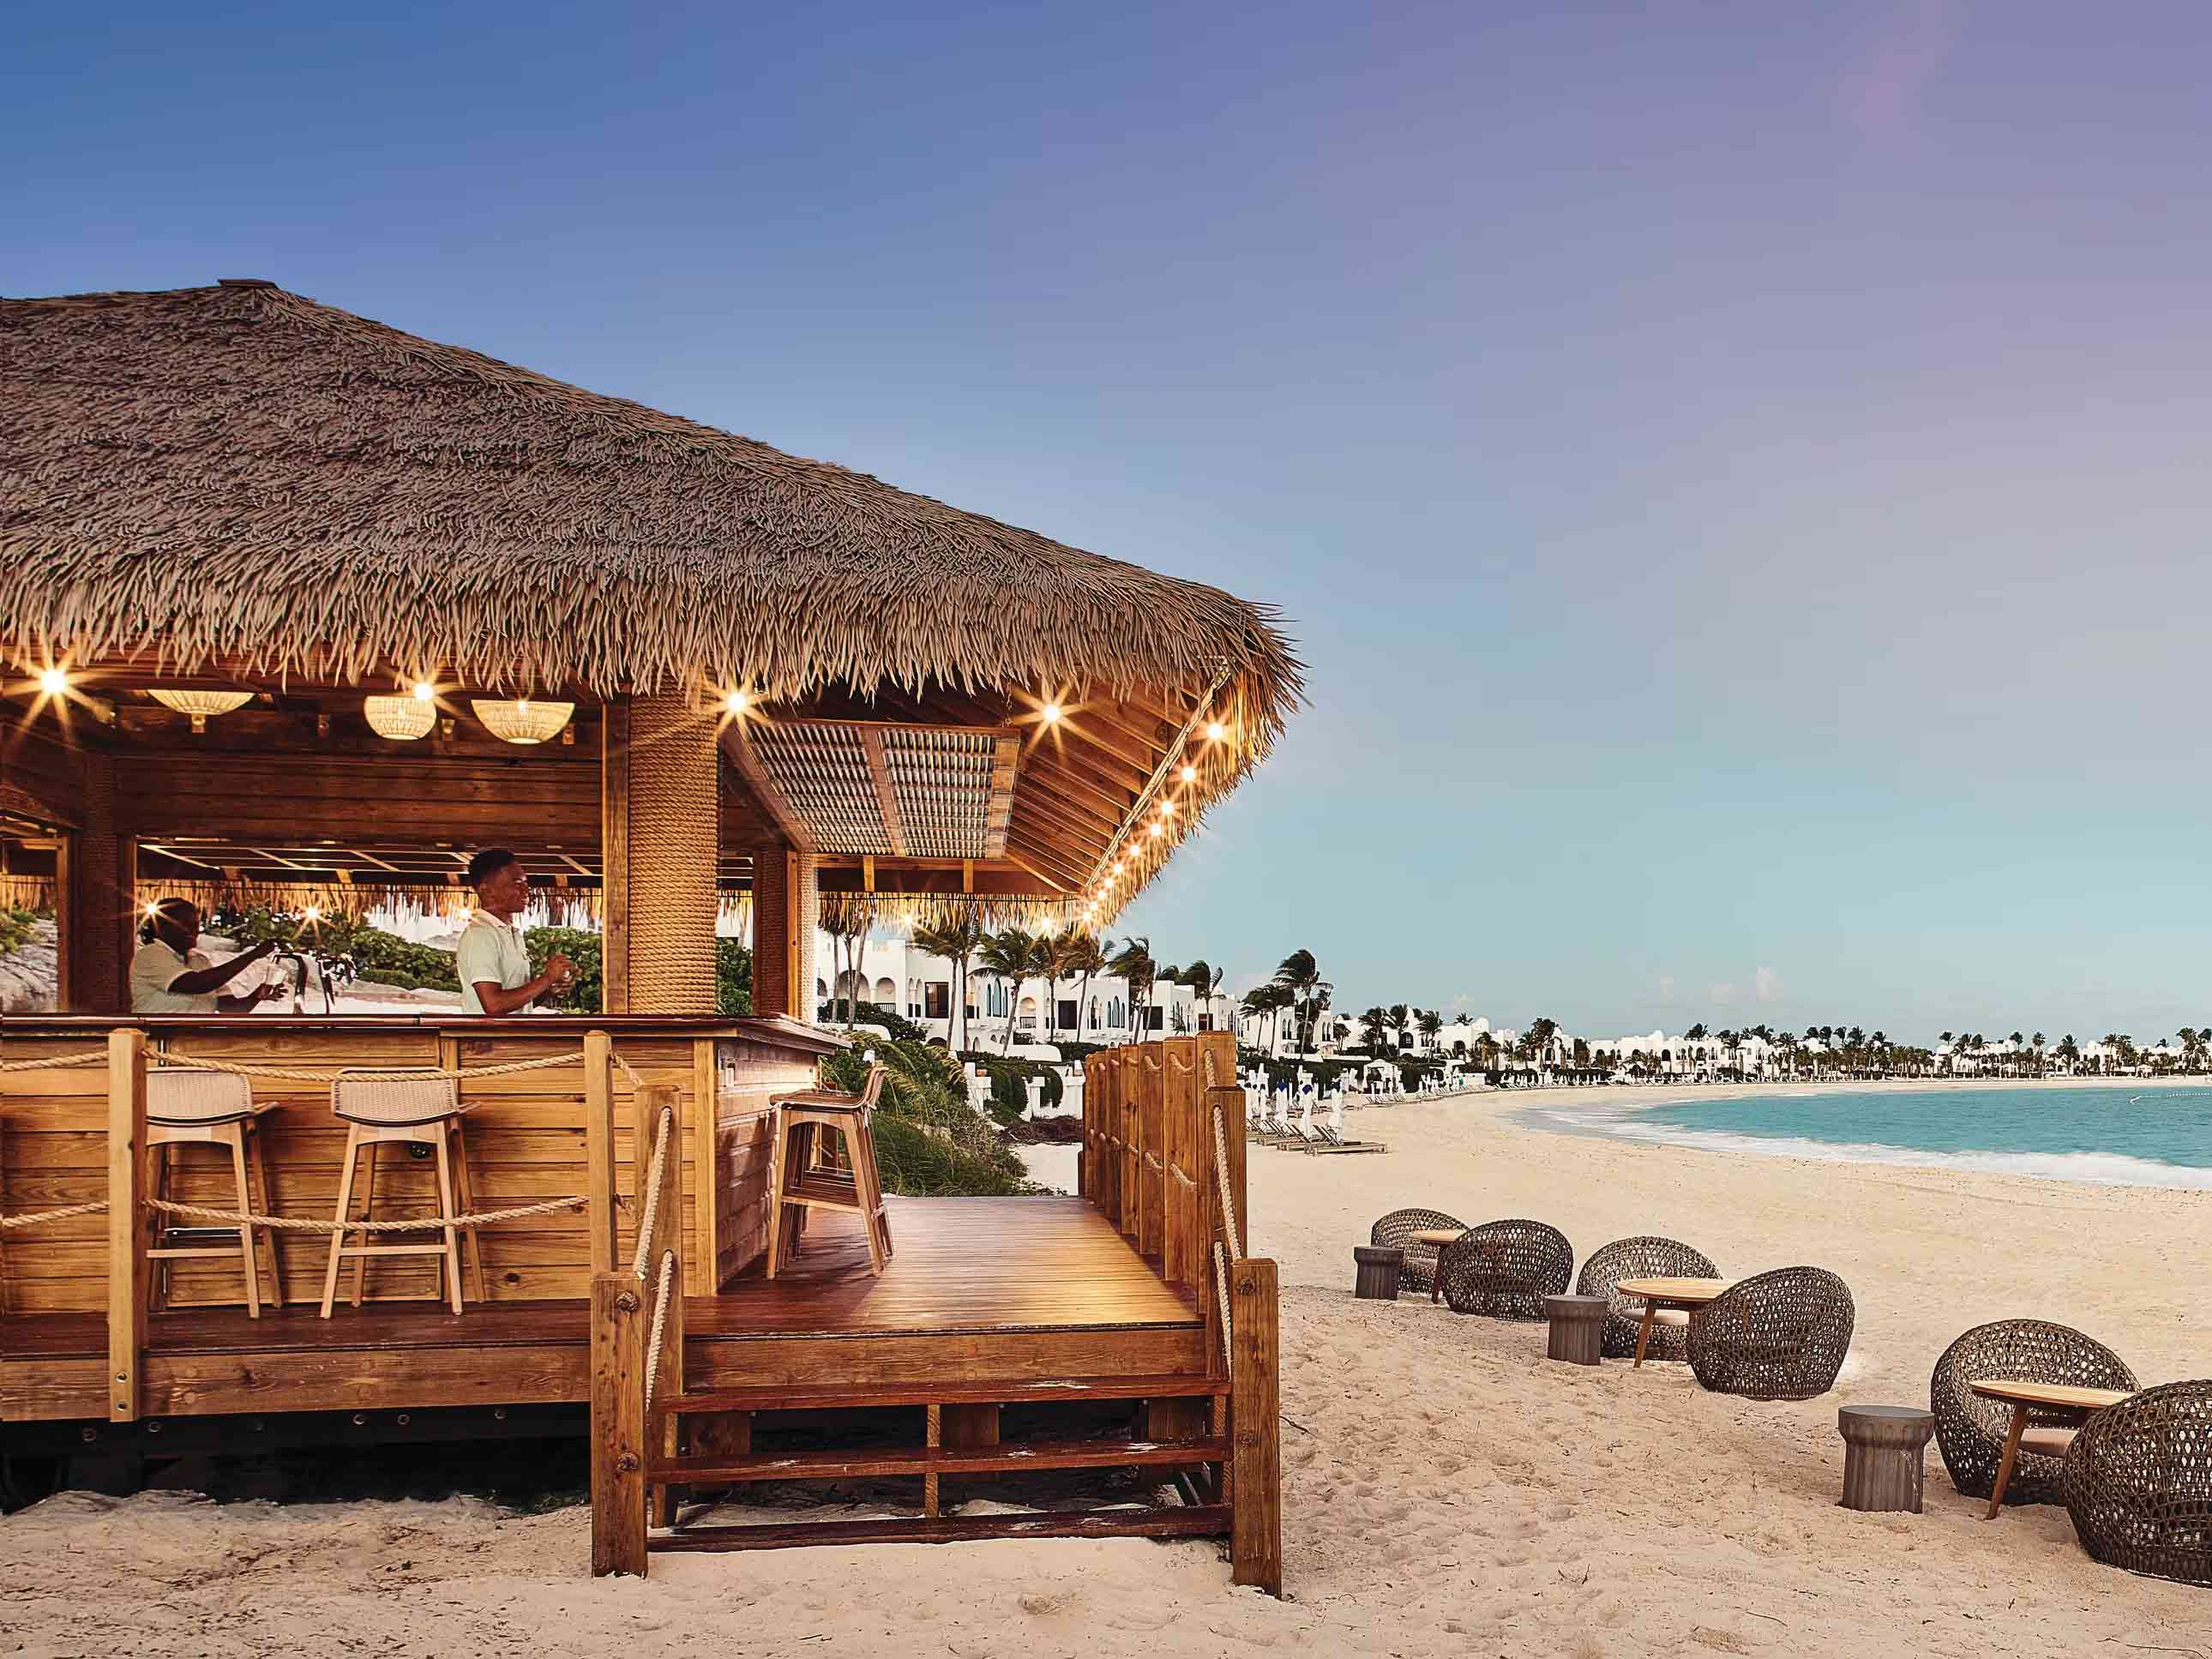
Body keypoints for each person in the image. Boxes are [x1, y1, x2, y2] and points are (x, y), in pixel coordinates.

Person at [457, 848, 574, 1015]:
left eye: (526, 883)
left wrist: (549, 988)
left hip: (510, 1038)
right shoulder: (481, 935)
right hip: (490, 1040)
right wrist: (547, 978)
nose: (526, 890)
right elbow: (494, 1005)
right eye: (517, 884)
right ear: (486, 890)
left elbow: (518, 1004)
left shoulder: (510, 933)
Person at [129, 898, 286, 1014]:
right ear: (162, 928)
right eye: (186, 925)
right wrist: (253, 955)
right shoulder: (150, 955)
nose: (194, 931)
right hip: (156, 1042)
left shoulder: (200, 961)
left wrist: (256, 996)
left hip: (191, 1042)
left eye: (196, 925)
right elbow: (196, 984)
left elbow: (231, 1008)